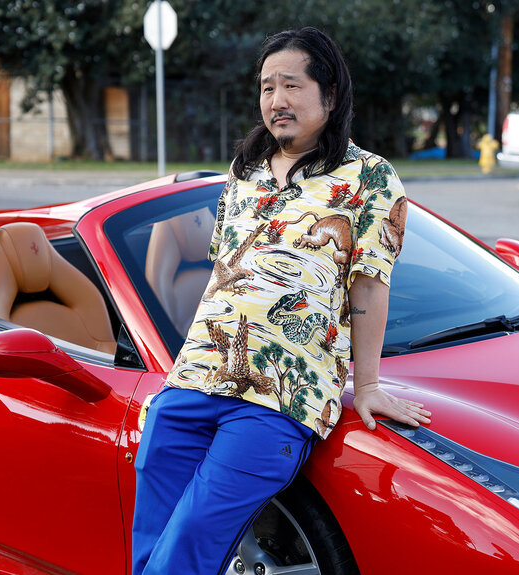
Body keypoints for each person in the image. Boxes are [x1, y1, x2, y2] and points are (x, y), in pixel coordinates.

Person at [131, 27, 431, 575]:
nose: (276, 101)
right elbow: (222, 271)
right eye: (267, 88)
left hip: (279, 396)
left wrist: (367, 385)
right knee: (154, 542)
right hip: (194, 380)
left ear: (330, 94)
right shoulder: (244, 172)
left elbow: (369, 282)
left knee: (192, 540)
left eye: (291, 85)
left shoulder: (370, 178)